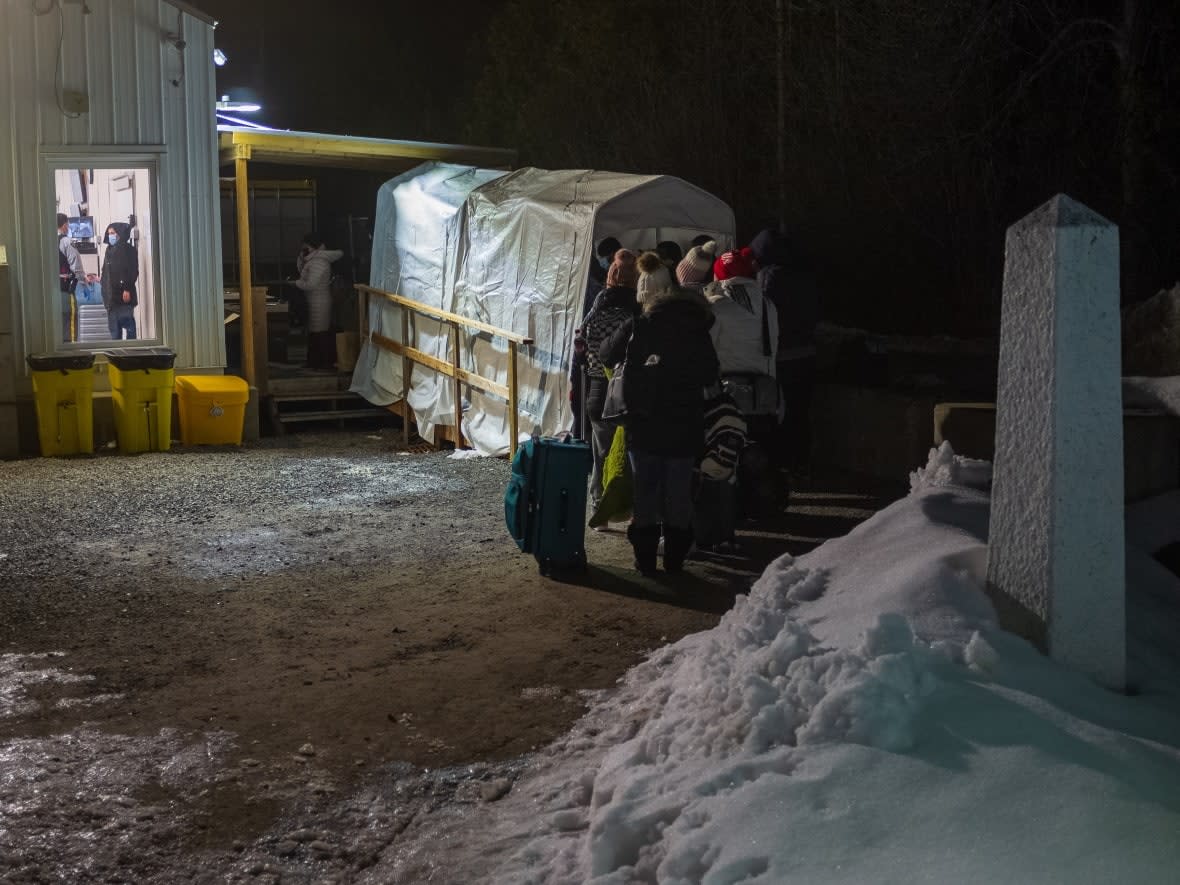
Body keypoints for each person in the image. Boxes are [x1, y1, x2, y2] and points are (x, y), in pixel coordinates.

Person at [600, 251, 719, 575]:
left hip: (645, 424)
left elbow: (606, 354)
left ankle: (646, 562)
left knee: (646, 493)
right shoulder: (697, 327)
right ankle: (676, 563)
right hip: (685, 425)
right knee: (679, 495)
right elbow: (710, 373)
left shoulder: (639, 326)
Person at [749, 227, 820, 473]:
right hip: (807, 354)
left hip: (781, 356)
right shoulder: (804, 276)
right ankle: (801, 463)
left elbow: (762, 318)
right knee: (800, 413)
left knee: (779, 414)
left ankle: (779, 466)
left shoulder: (767, 278)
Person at [703, 248, 779, 444]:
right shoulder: (768, 304)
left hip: (729, 395)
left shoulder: (717, 306)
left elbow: (704, 349)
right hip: (764, 395)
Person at [582, 249, 639, 510]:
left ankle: (598, 503)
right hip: (626, 395)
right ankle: (624, 507)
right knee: (628, 457)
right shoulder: (635, 313)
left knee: (601, 453)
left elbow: (581, 347)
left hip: (596, 391)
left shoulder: (596, 310)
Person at [572, 236, 623, 436]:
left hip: (598, 380)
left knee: (599, 443)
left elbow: (586, 339)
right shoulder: (632, 313)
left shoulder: (599, 306)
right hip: (618, 385)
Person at [293, 232, 344, 370]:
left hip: (320, 301)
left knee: (319, 333)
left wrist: (295, 283)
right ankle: (315, 362)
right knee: (315, 332)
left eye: (305, 246)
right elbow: (304, 273)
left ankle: (321, 363)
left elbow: (311, 284)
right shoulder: (313, 259)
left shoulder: (319, 261)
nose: (303, 249)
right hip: (315, 300)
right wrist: (302, 259)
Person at [100, 221, 138, 340]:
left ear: (120, 234)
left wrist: (127, 289)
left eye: (113, 233)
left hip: (123, 295)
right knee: (115, 332)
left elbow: (132, 270)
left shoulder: (128, 249)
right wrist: (100, 280)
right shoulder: (109, 250)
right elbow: (106, 270)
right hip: (111, 298)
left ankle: (131, 353)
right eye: (109, 233)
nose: (110, 235)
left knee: (128, 326)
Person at [56, 213, 85, 343]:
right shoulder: (66, 241)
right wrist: (83, 281)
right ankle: (72, 354)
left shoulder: (43, 241)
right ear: (64, 225)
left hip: (48, 293)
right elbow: (76, 264)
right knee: (70, 324)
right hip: (65, 290)